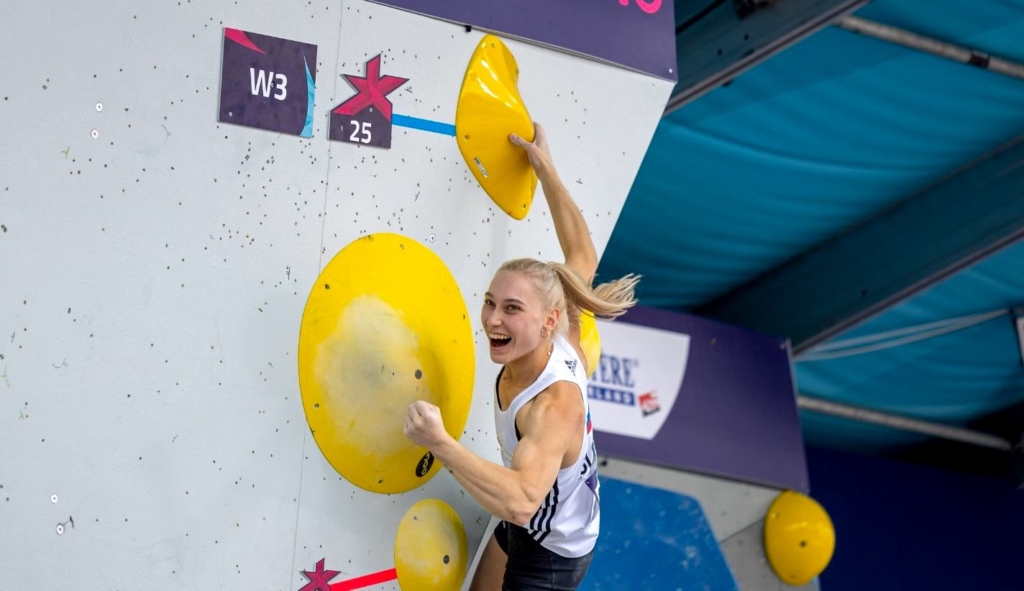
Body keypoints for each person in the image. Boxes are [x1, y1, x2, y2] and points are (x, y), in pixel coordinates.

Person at [404, 123, 639, 590]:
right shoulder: (563, 331)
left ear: (547, 320)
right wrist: (543, 165)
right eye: (491, 302)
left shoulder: (553, 405)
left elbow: (522, 502)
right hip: (532, 517)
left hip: (554, 549)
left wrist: (440, 442)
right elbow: (581, 254)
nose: (493, 319)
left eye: (512, 309)